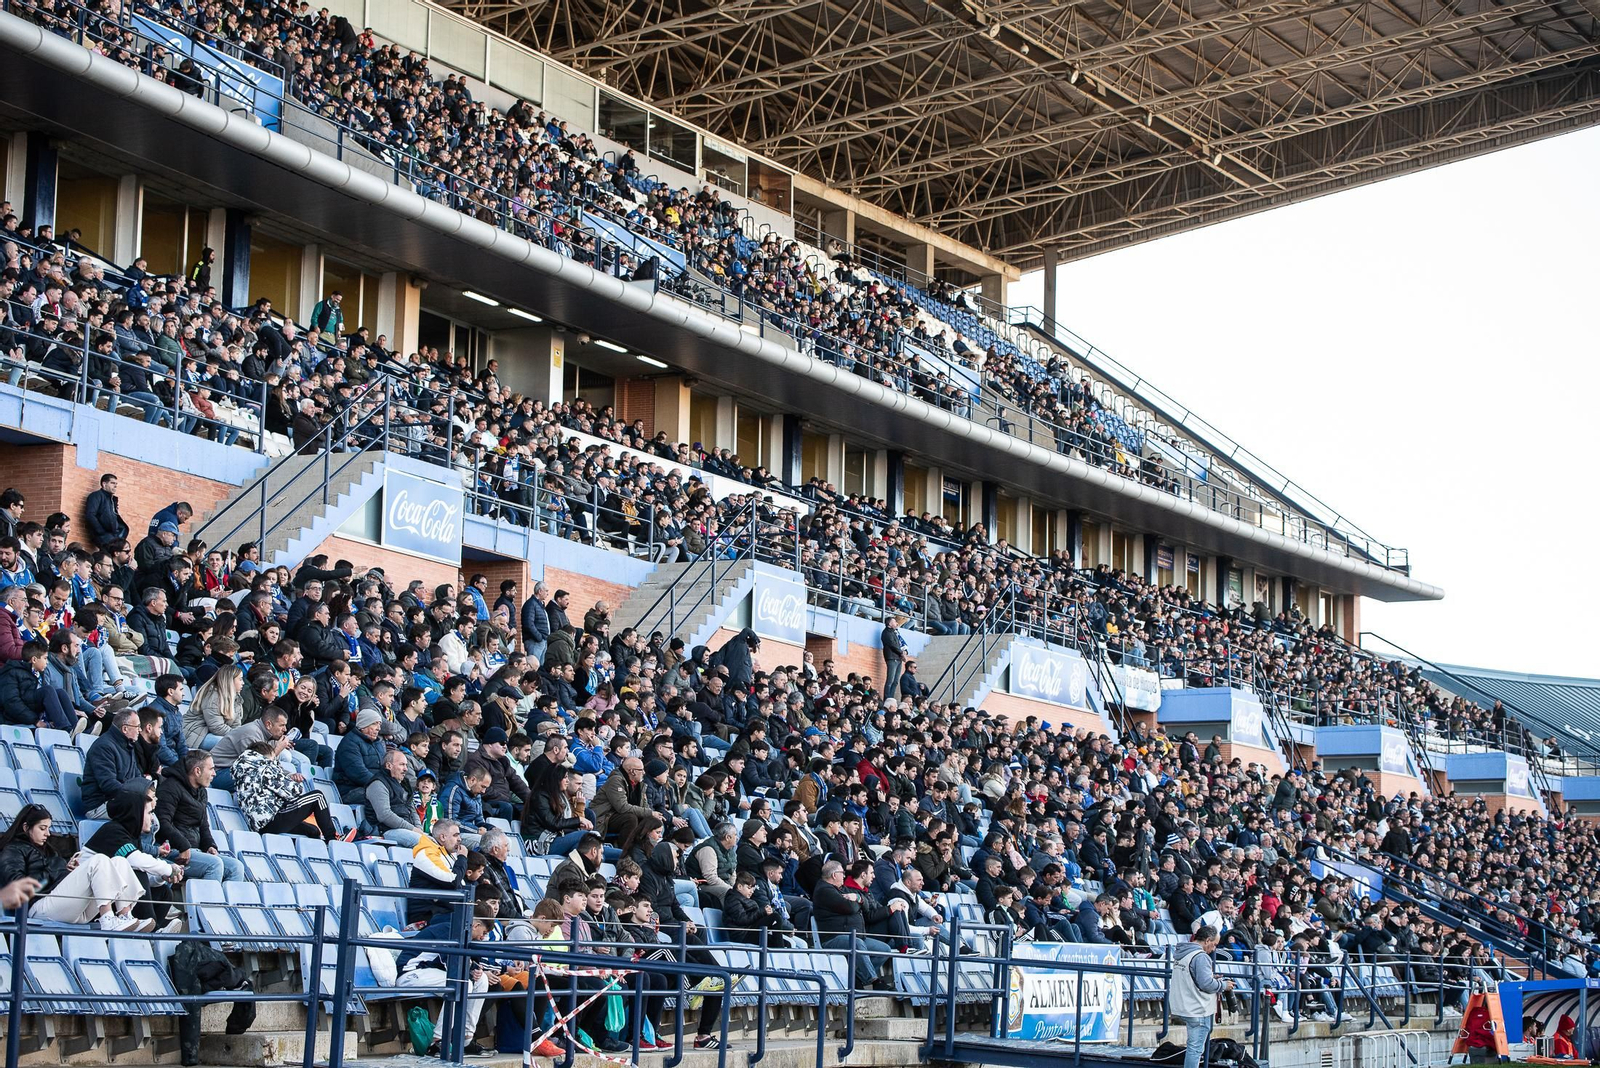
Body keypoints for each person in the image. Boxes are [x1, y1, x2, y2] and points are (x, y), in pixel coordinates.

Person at [0, 803, 152, 931]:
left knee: (119, 861)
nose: (47, 833)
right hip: (39, 907)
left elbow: (51, 874)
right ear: (26, 827)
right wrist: (56, 874)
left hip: (68, 908)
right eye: (42, 828)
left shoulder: (47, 850)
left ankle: (126, 915)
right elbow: (16, 883)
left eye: (48, 828)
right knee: (98, 860)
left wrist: (67, 872)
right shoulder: (13, 849)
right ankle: (107, 919)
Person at [155, 751, 246, 882]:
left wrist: (210, 845)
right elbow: (162, 823)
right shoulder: (170, 788)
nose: (214, 773)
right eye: (211, 769)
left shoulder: (201, 791)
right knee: (214, 865)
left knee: (236, 867)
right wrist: (183, 846)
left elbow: (203, 824)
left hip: (195, 850)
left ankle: (225, 902)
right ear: (197, 771)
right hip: (174, 850)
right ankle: (207, 902)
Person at [232, 741, 338, 839]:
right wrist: (282, 773)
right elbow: (294, 791)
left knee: (313, 831)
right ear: (265, 757)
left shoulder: (245, 770)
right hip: (271, 819)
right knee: (317, 796)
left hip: (260, 825)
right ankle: (333, 838)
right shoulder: (264, 768)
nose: (274, 763)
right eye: (273, 760)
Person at [1171, 925, 1231, 1068]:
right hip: (1198, 1008)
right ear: (1207, 940)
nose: (1214, 949)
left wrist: (1211, 978)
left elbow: (1194, 978)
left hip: (1183, 1005)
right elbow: (1206, 984)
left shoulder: (1182, 953)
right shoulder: (1201, 957)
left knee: (1194, 1047)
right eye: (1214, 944)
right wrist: (1223, 985)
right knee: (1195, 1049)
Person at [368, 747, 424, 847]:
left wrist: (419, 828)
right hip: (386, 830)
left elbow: (412, 809)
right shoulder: (378, 784)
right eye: (402, 764)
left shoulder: (404, 783)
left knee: (439, 845)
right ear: (389, 765)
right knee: (423, 843)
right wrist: (412, 829)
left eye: (406, 765)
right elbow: (385, 815)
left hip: (407, 829)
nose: (406, 769)